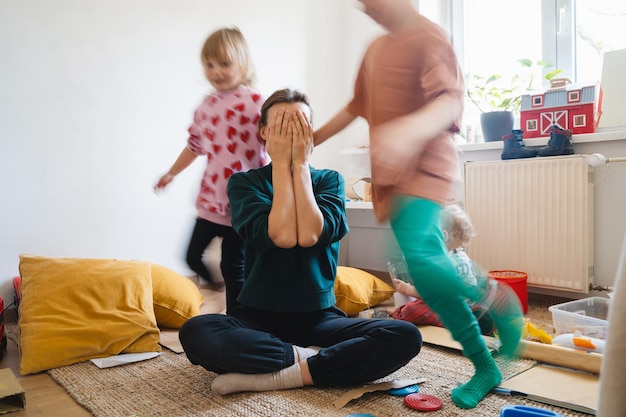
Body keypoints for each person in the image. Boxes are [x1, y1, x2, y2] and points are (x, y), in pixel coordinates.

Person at [313, 0, 523, 409]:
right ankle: (485, 365)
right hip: (392, 177)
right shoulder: (375, 49)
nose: (366, 7)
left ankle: (495, 297)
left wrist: (407, 132)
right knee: (428, 279)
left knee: (424, 263)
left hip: (426, 167)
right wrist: (314, 138)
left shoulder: (429, 38)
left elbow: (447, 100)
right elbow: (355, 105)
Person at [178, 88, 421, 395]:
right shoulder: (244, 183)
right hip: (255, 317)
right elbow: (280, 235)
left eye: (300, 124)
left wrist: (300, 166)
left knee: (405, 335)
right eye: (281, 123)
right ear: (264, 132)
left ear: (311, 134)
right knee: (197, 332)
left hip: (320, 320)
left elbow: (308, 236)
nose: (291, 132)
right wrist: (281, 165)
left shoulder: (329, 181)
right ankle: (314, 361)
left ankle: (284, 372)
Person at [154, 27, 268, 314]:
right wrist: (171, 173)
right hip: (211, 199)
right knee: (191, 255)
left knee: (234, 266)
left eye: (224, 63)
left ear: (243, 64)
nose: (215, 71)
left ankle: (237, 319)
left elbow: (273, 143)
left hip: (243, 202)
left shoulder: (256, 103)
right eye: (209, 64)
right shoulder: (205, 106)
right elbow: (194, 146)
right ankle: (218, 288)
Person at [389, 204, 495, 336]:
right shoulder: (462, 256)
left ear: (443, 236)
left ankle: (398, 312)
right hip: (470, 305)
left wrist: (407, 289)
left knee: (414, 309)